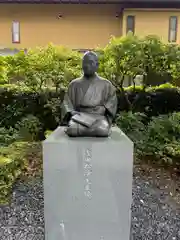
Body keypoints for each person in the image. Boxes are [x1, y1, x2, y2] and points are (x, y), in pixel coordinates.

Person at [61, 51, 117, 137]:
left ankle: (94, 129)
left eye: (90, 62)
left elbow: (111, 103)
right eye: (84, 63)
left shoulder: (106, 84)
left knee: (102, 130)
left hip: (98, 118)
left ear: (97, 65)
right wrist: (72, 112)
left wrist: (104, 109)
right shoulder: (74, 84)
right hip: (79, 117)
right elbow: (67, 103)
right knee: (72, 129)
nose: (87, 65)